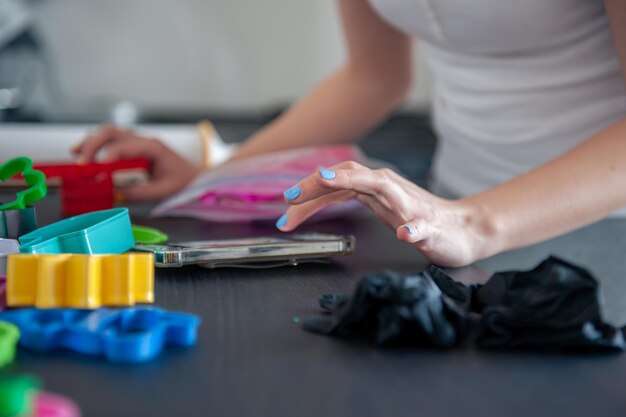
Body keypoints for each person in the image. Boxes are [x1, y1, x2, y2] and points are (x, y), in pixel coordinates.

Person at [73, 0, 626, 267]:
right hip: (452, 210)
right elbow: (373, 76)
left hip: (601, 226)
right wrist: (213, 175)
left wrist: (477, 223)